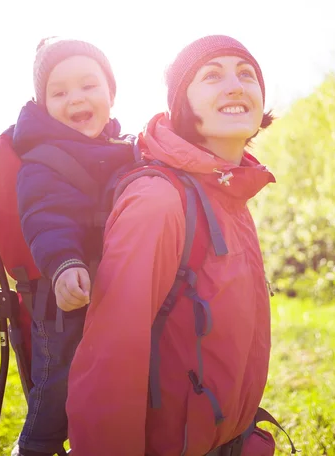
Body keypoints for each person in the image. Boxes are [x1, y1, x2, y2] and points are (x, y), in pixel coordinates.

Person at [67, 34, 276, 456]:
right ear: (182, 102)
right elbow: (110, 362)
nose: (235, 85)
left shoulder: (229, 190)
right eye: (212, 75)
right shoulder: (158, 201)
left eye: (246, 74)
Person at [12, 37, 134, 456]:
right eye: (58, 92)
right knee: (57, 389)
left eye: (88, 85)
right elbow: (45, 218)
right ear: (43, 104)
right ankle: (35, 447)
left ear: (111, 94)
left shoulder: (126, 151)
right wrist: (64, 263)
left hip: (119, 293)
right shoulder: (41, 162)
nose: (75, 98)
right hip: (65, 301)